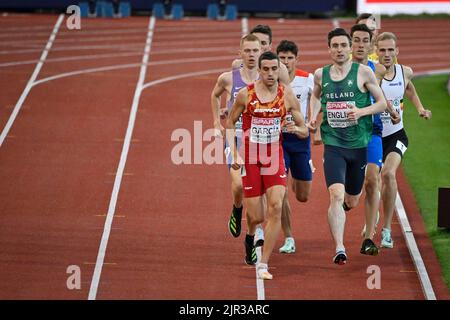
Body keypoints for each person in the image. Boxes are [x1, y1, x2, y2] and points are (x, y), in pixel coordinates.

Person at [226, 51, 308, 279]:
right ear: (259, 71)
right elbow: (230, 122)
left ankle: (263, 264)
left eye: (274, 69)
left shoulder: (287, 96)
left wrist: (297, 129)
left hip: (274, 158)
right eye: (266, 69)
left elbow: (303, 128)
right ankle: (250, 236)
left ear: (279, 70)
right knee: (257, 216)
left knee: (276, 206)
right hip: (251, 159)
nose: (271, 73)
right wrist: (235, 153)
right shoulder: (245, 95)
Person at [308, 28, 387, 265]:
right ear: (329, 48)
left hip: (359, 144)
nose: (340, 50)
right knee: (335, 194)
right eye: (336, 46)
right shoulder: (321, 75)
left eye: (344, 45)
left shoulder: (363, 73)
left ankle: (344, 209)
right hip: (333, 144)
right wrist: (313, 116)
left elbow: (382, 102)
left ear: (349, 48)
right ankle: (340, 248)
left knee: (351, 199)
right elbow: (315, 95)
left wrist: (361, 111)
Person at [377, 32, 432, 248]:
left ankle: (387, 229)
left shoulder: (405, 71)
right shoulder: (371, 74)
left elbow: (409, 89)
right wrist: (390, 109)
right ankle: (371, 220)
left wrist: (420, 108)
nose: (387, 54)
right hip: (372, 136)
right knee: (369, 182)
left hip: (396, 135)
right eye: (383, 50)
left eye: (391, 50)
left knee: (388, 174)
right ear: (377, 52)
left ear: (397, 51)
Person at [350, 24, 401, 256]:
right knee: (350, 194)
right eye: (356, 40)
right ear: (351, 43)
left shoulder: (377, 69)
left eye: (364, 41)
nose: (360, 45)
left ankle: (369, 238)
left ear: (370, 45)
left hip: (372, 131)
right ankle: (349, 201)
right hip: (346, 135)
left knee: (372, 180)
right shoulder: (337, 71)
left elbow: (380, 94)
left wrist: (390, 110)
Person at [210, 34, 261, 240]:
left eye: (255, 50)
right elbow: (214, 95)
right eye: (247, 51)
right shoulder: (228, 78)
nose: (251, 55)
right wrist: (216, 121)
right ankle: (237, 208)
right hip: (236, 137)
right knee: (239, 184)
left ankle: (255, 229)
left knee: (259, 191)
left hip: (260, 139)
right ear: (240, 53)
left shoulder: (267, 77)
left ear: (261, 52)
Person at [276, 40, 314, 254]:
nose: (286, 62)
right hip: (279, 141)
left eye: (290, 58)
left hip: (300, 141)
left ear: (296, 59)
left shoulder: (306, 79)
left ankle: (295, 176)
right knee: (279, 193)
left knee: (302, 196)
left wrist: (311, 122)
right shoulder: (271, 81)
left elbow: (317, 100)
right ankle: (289, 237)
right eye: (282, 58)